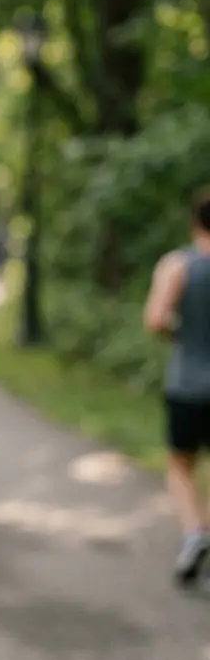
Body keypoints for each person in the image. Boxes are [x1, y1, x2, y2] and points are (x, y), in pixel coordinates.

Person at [144, 186, 210, 587]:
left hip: (188, 382)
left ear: (195, 222)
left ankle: (195, 534)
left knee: (181, 465)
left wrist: (179, 332)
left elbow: (156, 319)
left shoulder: (178, 264)